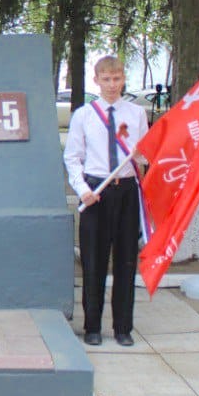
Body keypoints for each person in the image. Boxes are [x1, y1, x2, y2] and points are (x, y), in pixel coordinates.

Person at [63, 56, 148, 347]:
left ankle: (123, 327)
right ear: (96, 80)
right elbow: (72, 157)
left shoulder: (136, 114)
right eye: (106, 79)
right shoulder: (84, 115)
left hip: (126, 190)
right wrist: (82, 189)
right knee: (93, 261)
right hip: (96, 191)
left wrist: (141, 154)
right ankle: (92, 326)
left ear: (123, 79)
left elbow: (146, 155)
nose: (112, 85)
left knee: (126, 260)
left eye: (117, 79)